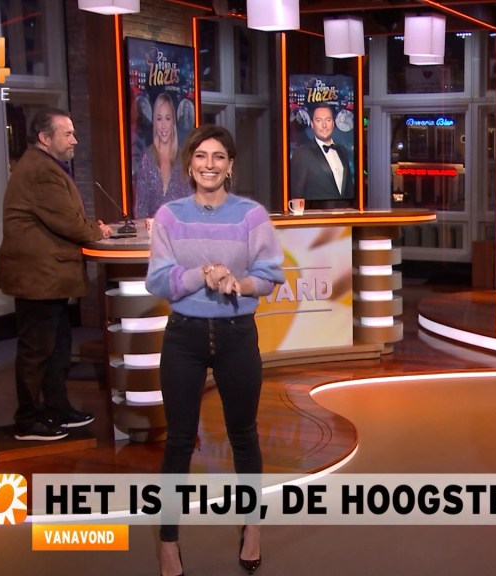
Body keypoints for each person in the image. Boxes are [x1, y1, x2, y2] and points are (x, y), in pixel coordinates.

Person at [146, 125, 285, 576]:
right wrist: (202, 274)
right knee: (179, 441)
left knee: (244, 435)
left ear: (230, 166)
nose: (210, 164)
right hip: (183, 338)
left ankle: (252, 526)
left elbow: (270, 273)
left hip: (236, 337)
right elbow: (158, 280)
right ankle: (168, 541)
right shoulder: (169, 216)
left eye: (219, 157)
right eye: (202, 156)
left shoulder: (251, 216)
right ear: (189, 165)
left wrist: (238, 283)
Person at [0, 107, 113, 441]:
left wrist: (89, 227)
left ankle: (57, 409)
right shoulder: (41, 172)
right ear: (45, 138)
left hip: (47, 278)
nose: (75, 140)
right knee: (37, 350)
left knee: (57, 347)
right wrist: (98, 230)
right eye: (68, 134)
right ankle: (28, 420)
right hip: (37, 278)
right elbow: (71, 224)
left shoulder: (45, 166)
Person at [134, 92, 193, 218]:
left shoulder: (183, 159)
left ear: (173, 122)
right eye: (159, 119)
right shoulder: (147, 159)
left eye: (167, 118)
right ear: (154, 122)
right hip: (152, 229)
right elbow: (141, 208)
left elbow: (191, 205)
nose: (163, 126)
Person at [290, 103, 354, 204]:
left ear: (333, 123)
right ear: (312, 124)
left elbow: (349, 189)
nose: (324, 126)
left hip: (343, 212)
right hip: (316, 213)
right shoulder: (302, 153)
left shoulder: (342, 151)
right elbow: (297, 193)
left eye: (328, 120)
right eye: (319, 121)